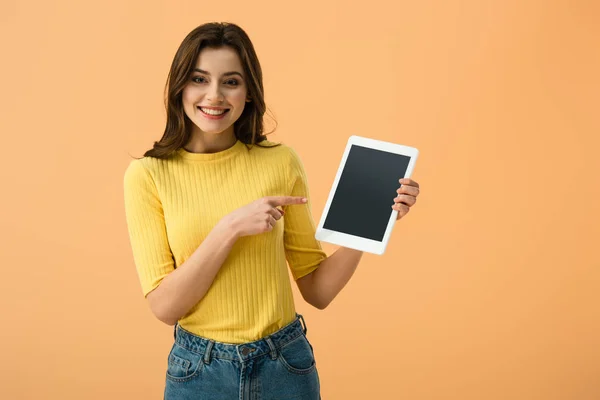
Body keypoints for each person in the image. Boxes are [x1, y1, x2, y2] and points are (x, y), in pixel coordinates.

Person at [123, 22, 420, 400]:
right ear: (180, 86)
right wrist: (229, 228)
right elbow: (165, 307)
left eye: (231, 81)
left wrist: (372, 222)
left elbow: (317, 289)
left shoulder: (280, 162)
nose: (214, 95)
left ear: (248, 93)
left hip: (285, 365)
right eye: (199, 79)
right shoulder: (148, 175)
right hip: (199, 371)